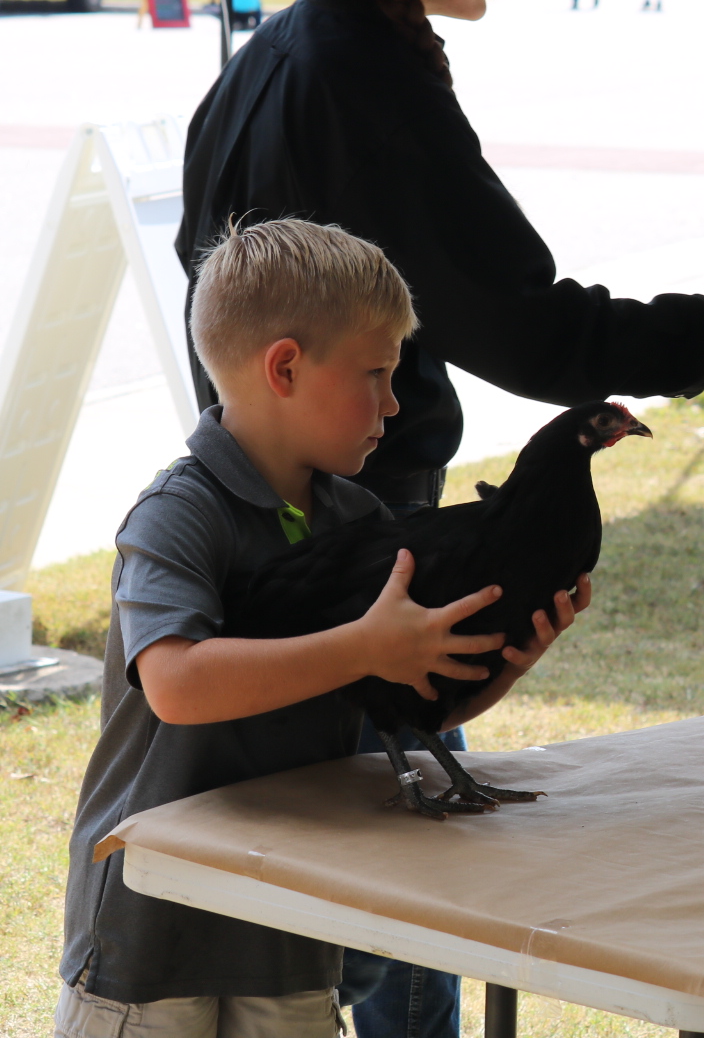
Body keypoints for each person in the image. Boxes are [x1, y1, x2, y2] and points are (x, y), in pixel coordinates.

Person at [174, 0, 704, 1037]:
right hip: (352, 514)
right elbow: (531, 326)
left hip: (267, 496)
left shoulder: (277, 52)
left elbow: (200, 277)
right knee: (387, 848)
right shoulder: (361, 74)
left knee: (356, 806)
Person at [57, 220, 583, 1036]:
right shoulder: (178, 517)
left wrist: (497, 660)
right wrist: (366, 645)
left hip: (293, 924)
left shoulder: (357, 515)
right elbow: (177, 683)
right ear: (287, 368)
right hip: (154, 930)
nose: (395, 403)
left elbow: (406, 706)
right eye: (376, 373)